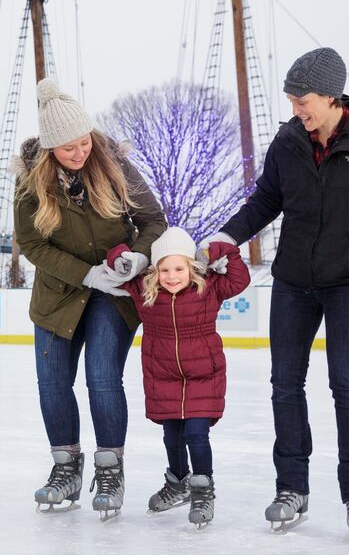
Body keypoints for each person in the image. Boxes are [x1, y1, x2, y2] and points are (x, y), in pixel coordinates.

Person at [197, 47, 349, 538]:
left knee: (347, 385)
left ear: (331, 96)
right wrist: (227, 235)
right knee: (285, 384)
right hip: (293, 282)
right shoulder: (289, 142)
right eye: (291, 100)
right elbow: (266, 199)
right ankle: (292, 488)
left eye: (302, 100)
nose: (296, 110)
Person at [12, 77, 167, 521]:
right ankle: (66, 469)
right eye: (68, 149)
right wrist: (85, 274)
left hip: (114, 292)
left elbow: (153, 219)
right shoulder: (30, 185)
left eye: (84, 142)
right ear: (49, 150)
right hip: (58, 295)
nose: (80, 153)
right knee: (53, 383)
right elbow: (33, 245)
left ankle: (109, 469)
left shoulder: (113, 165)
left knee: (101, 377)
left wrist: (138, 259)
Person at [105, 227, 250, 529]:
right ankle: (178, 482)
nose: (172, 276)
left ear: (191, 267)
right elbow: (115, 258)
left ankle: (202, 491)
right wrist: (123, 258)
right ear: (154, 271)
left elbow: (239, 278)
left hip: (203, 376)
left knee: (196, 436)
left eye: (179, 268)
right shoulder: (145, 292)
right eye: (165, 269)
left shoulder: (208, 288)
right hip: (163, 377)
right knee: (172, 437)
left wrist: (218, 252)